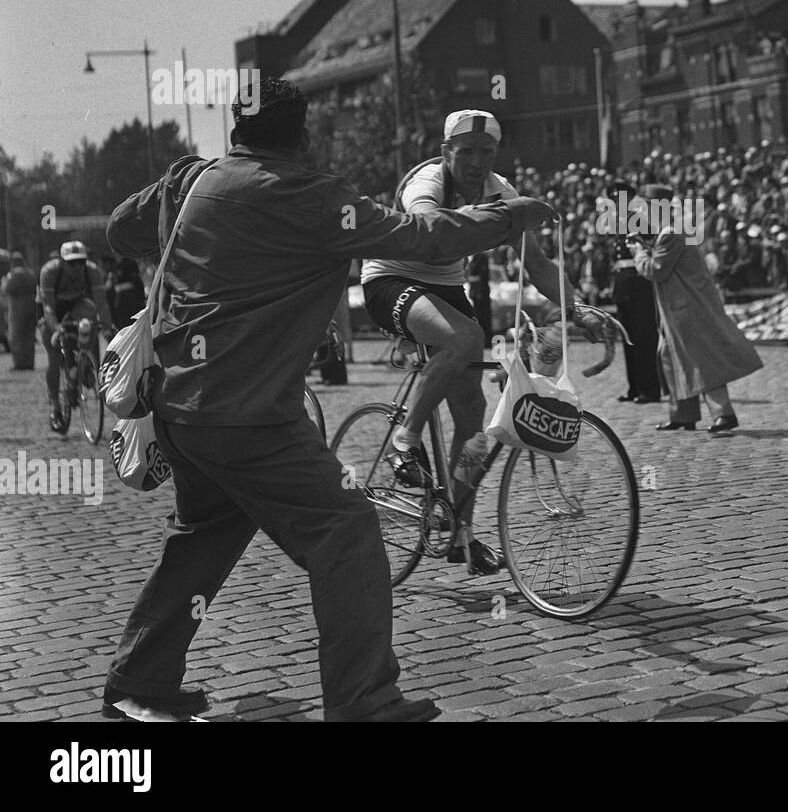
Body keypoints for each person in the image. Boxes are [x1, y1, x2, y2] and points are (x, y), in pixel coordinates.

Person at [100, 80, 557, 723]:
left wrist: (185, 195)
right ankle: (362, 700)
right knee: (346, 532)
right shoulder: (312, 198)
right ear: (303, 135)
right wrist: (512, 216)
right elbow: (422, 237)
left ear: (237, 128)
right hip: (251, 414)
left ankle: (137, 682)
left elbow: (121, 232)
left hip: (180, 408)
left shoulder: (193, 181)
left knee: (203, 538)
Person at [360, 109, 604, 575]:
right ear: (445, 152)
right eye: (465, 152)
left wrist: (576, 306)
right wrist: (507, 215)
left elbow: (537, 264)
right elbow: (433, 235)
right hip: (392, 277)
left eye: (486, 153)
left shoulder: (501, 191)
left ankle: (461, 534)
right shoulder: (425, 185)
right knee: (466, 337)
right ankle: (403, 441)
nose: (475, 163)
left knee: (472, 423)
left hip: (445, 285)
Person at [634, 184, 762, 433]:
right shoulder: (669, 232)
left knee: (700, 360)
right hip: (676, 310)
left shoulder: (671, 233)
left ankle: (723, 413)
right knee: (671, 357)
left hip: (686, 309)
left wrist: (638, 252)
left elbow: (656, 270)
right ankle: (683, 414)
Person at [37, 240, 115, 427]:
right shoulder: (49, 271)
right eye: (72, 263)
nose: (77, 266)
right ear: (62, 261)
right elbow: (48, 307)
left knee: (90, 319)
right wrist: (56, 329)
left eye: (81, 261)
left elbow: (101, 305)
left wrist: (108, 329)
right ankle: (55, 406)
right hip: (51, 307)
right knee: (53, 355)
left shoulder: (93, 271)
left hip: (77, 303)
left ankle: (83, 363)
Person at [608, 181, 661, 405]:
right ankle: (635, 386)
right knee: (628, 338)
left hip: (639, 284)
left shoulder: (640, 220)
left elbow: (651, 248)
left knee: (643, 338)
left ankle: (650, 389)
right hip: (623, 285)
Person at [2, 251, 37, 369]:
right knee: (29, 335)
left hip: (17, 305)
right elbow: (35, 287)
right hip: (31, 303)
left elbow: (7, 289)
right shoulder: (30, 273)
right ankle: (29, 362)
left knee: (16, 335)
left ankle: (19, 363)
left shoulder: (12, 275)